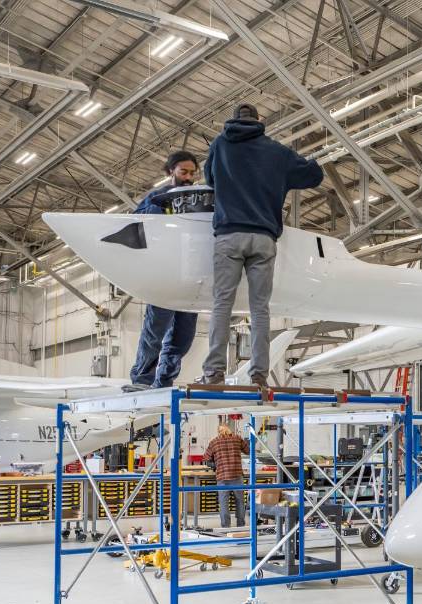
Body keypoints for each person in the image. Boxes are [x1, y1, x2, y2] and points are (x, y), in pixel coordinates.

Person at [198, 103, 323, 388]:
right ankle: (258, 375)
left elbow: (210, 179)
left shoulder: (220, 145)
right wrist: (312, 160)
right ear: (259, 121)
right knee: (260, 309)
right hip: (264, 239)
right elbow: (313, 176)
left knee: (222, 305)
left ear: (233, 120)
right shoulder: (277, 151)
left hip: (229, 234)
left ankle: (214, 373)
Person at [126, 151, 201, 391]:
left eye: (192, 173)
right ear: (171, 172)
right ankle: (142, 379)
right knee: (155, 332)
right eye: (183, 172)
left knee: (183, 338)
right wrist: (159, 210)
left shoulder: (200, 198)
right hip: (165, 274)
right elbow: (136, 220)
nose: (188, 177)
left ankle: (165, 380)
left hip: (190, 278)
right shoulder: (156, 197)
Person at [204, 421, 249, 528]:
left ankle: (225, 527)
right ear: (229, 430)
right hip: (237, 475)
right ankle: (240, 525)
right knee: (240, 502)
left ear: (218, 432)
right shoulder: (237, 438)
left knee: (224, 503)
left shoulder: (214, 442)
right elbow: (248, 451)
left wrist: (215, 464)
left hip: (222, 477)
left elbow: (206, 458)